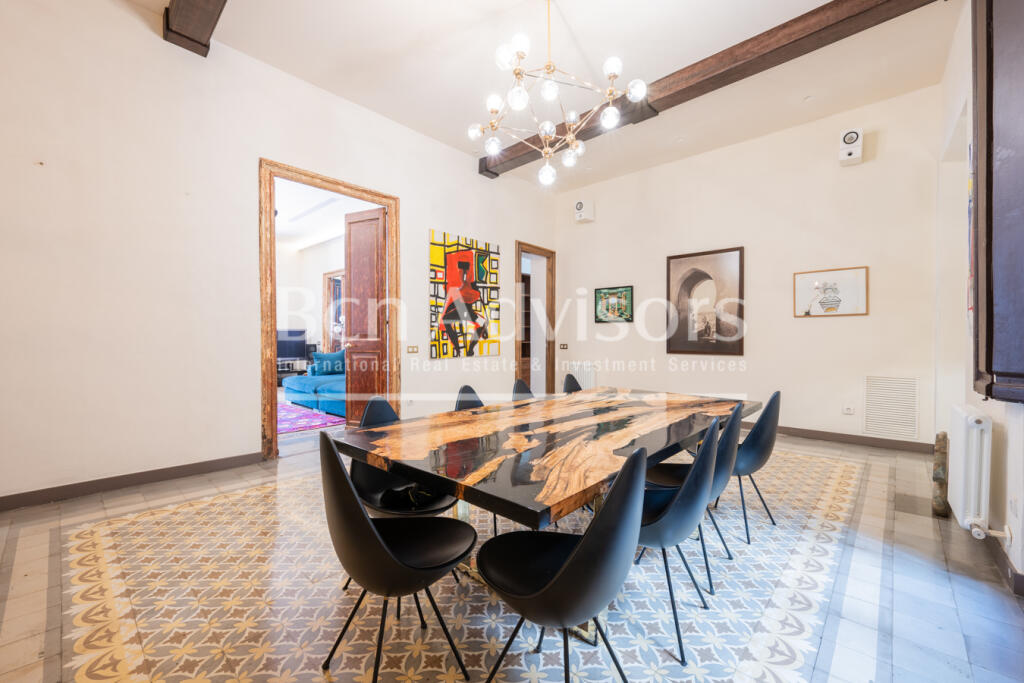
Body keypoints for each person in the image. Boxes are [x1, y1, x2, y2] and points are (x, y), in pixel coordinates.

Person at [441, 260, 488, 357]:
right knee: (483, 322)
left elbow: (457, 300)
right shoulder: (465, 284)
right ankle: (466, 348)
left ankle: (460, 348)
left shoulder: (465, 284)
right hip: (465, 312)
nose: (462, 274)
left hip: (464, 311)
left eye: (462, 271)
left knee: (446, 319)